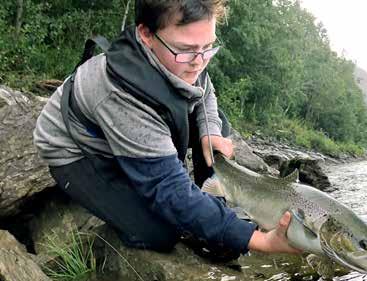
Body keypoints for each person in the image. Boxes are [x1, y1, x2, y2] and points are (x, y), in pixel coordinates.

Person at [33, 0, 299, 261]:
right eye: (186, 51)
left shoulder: (187, 54)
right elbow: (167, 188)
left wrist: (209, 131)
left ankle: (211, 201)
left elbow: (205, 90)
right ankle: (199, 217)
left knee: (217, 129)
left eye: (208, 48)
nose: (199, 62)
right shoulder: (122, 94)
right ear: (146, 35)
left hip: (133, 124)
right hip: (78, 151)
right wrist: (258, 240)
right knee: (162, 231)